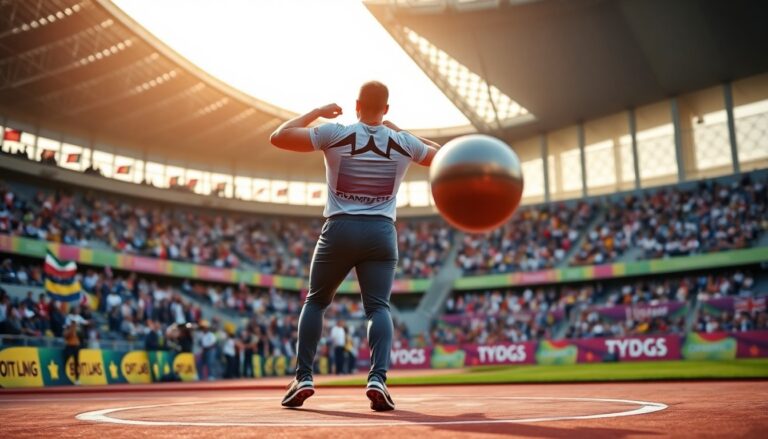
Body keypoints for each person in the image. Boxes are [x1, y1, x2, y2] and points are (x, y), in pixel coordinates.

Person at [271, 81, 440, 411]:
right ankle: (378, 378)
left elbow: (279, 136)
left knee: (317, 300)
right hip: (380, 232)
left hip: (339, 228)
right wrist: (401, 130)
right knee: (378, 308)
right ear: (387, 109)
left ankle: (303, 376)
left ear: (357, 104)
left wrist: (318, 112)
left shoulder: (334, 132)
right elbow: (445, 156)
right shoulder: (403, 143)